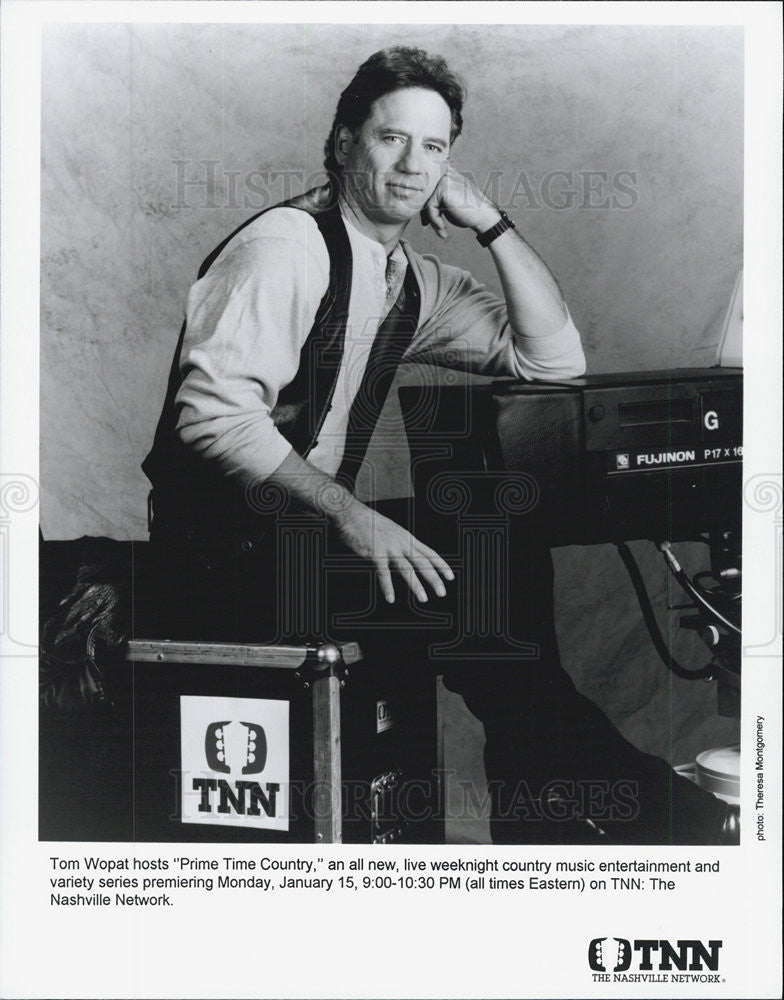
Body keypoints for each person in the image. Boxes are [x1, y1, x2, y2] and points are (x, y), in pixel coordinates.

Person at [142, 46, 737, 844]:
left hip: (296, 540)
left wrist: (489, 221)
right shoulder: (286, 246)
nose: (412, 164)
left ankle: (558, 815)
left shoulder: (405, 278)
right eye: (392, 138)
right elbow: (212, 417)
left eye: (435, 147)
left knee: (502, 546)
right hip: (219, 557)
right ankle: (664, 818)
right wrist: (357, 520)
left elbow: (552, 362)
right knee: (488, 623)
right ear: (345, 139)